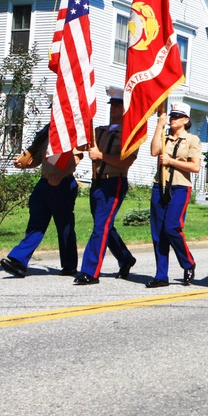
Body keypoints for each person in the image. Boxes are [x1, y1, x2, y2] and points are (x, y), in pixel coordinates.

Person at [75, 86, 138, 286]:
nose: (114, 109)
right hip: (97, 182)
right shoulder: (99, 131)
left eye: (118, 105)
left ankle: (90, 271)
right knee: (104, 226)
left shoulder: (131, 134)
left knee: (101, 226)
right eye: (112, 105)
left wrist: (101, 156)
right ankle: (125, 258)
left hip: (115, 181)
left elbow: (126, 162)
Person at [0, 124, 81, 278]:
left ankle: (69, 265)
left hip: (63, 183)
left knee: (64, 226)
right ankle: (19, 261)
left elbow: (75, 160)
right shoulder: (48, 133)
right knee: (36, 223)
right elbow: (38, 159)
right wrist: (23, 164)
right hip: (44, 183)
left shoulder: (71, 131)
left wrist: (59, 176)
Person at [147, 102, 202, 288]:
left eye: (177, 117)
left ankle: (188, 263)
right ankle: (161, 275)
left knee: (172, 227)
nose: (173, 119)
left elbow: (195, 167)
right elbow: (154, 151)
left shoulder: (192, 139)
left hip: (180, 187)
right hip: (159, 186)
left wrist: (171, 161)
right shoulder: (164, 137)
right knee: (158, 233)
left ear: (186, 120)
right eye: (172, 116)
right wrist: (159, 126)